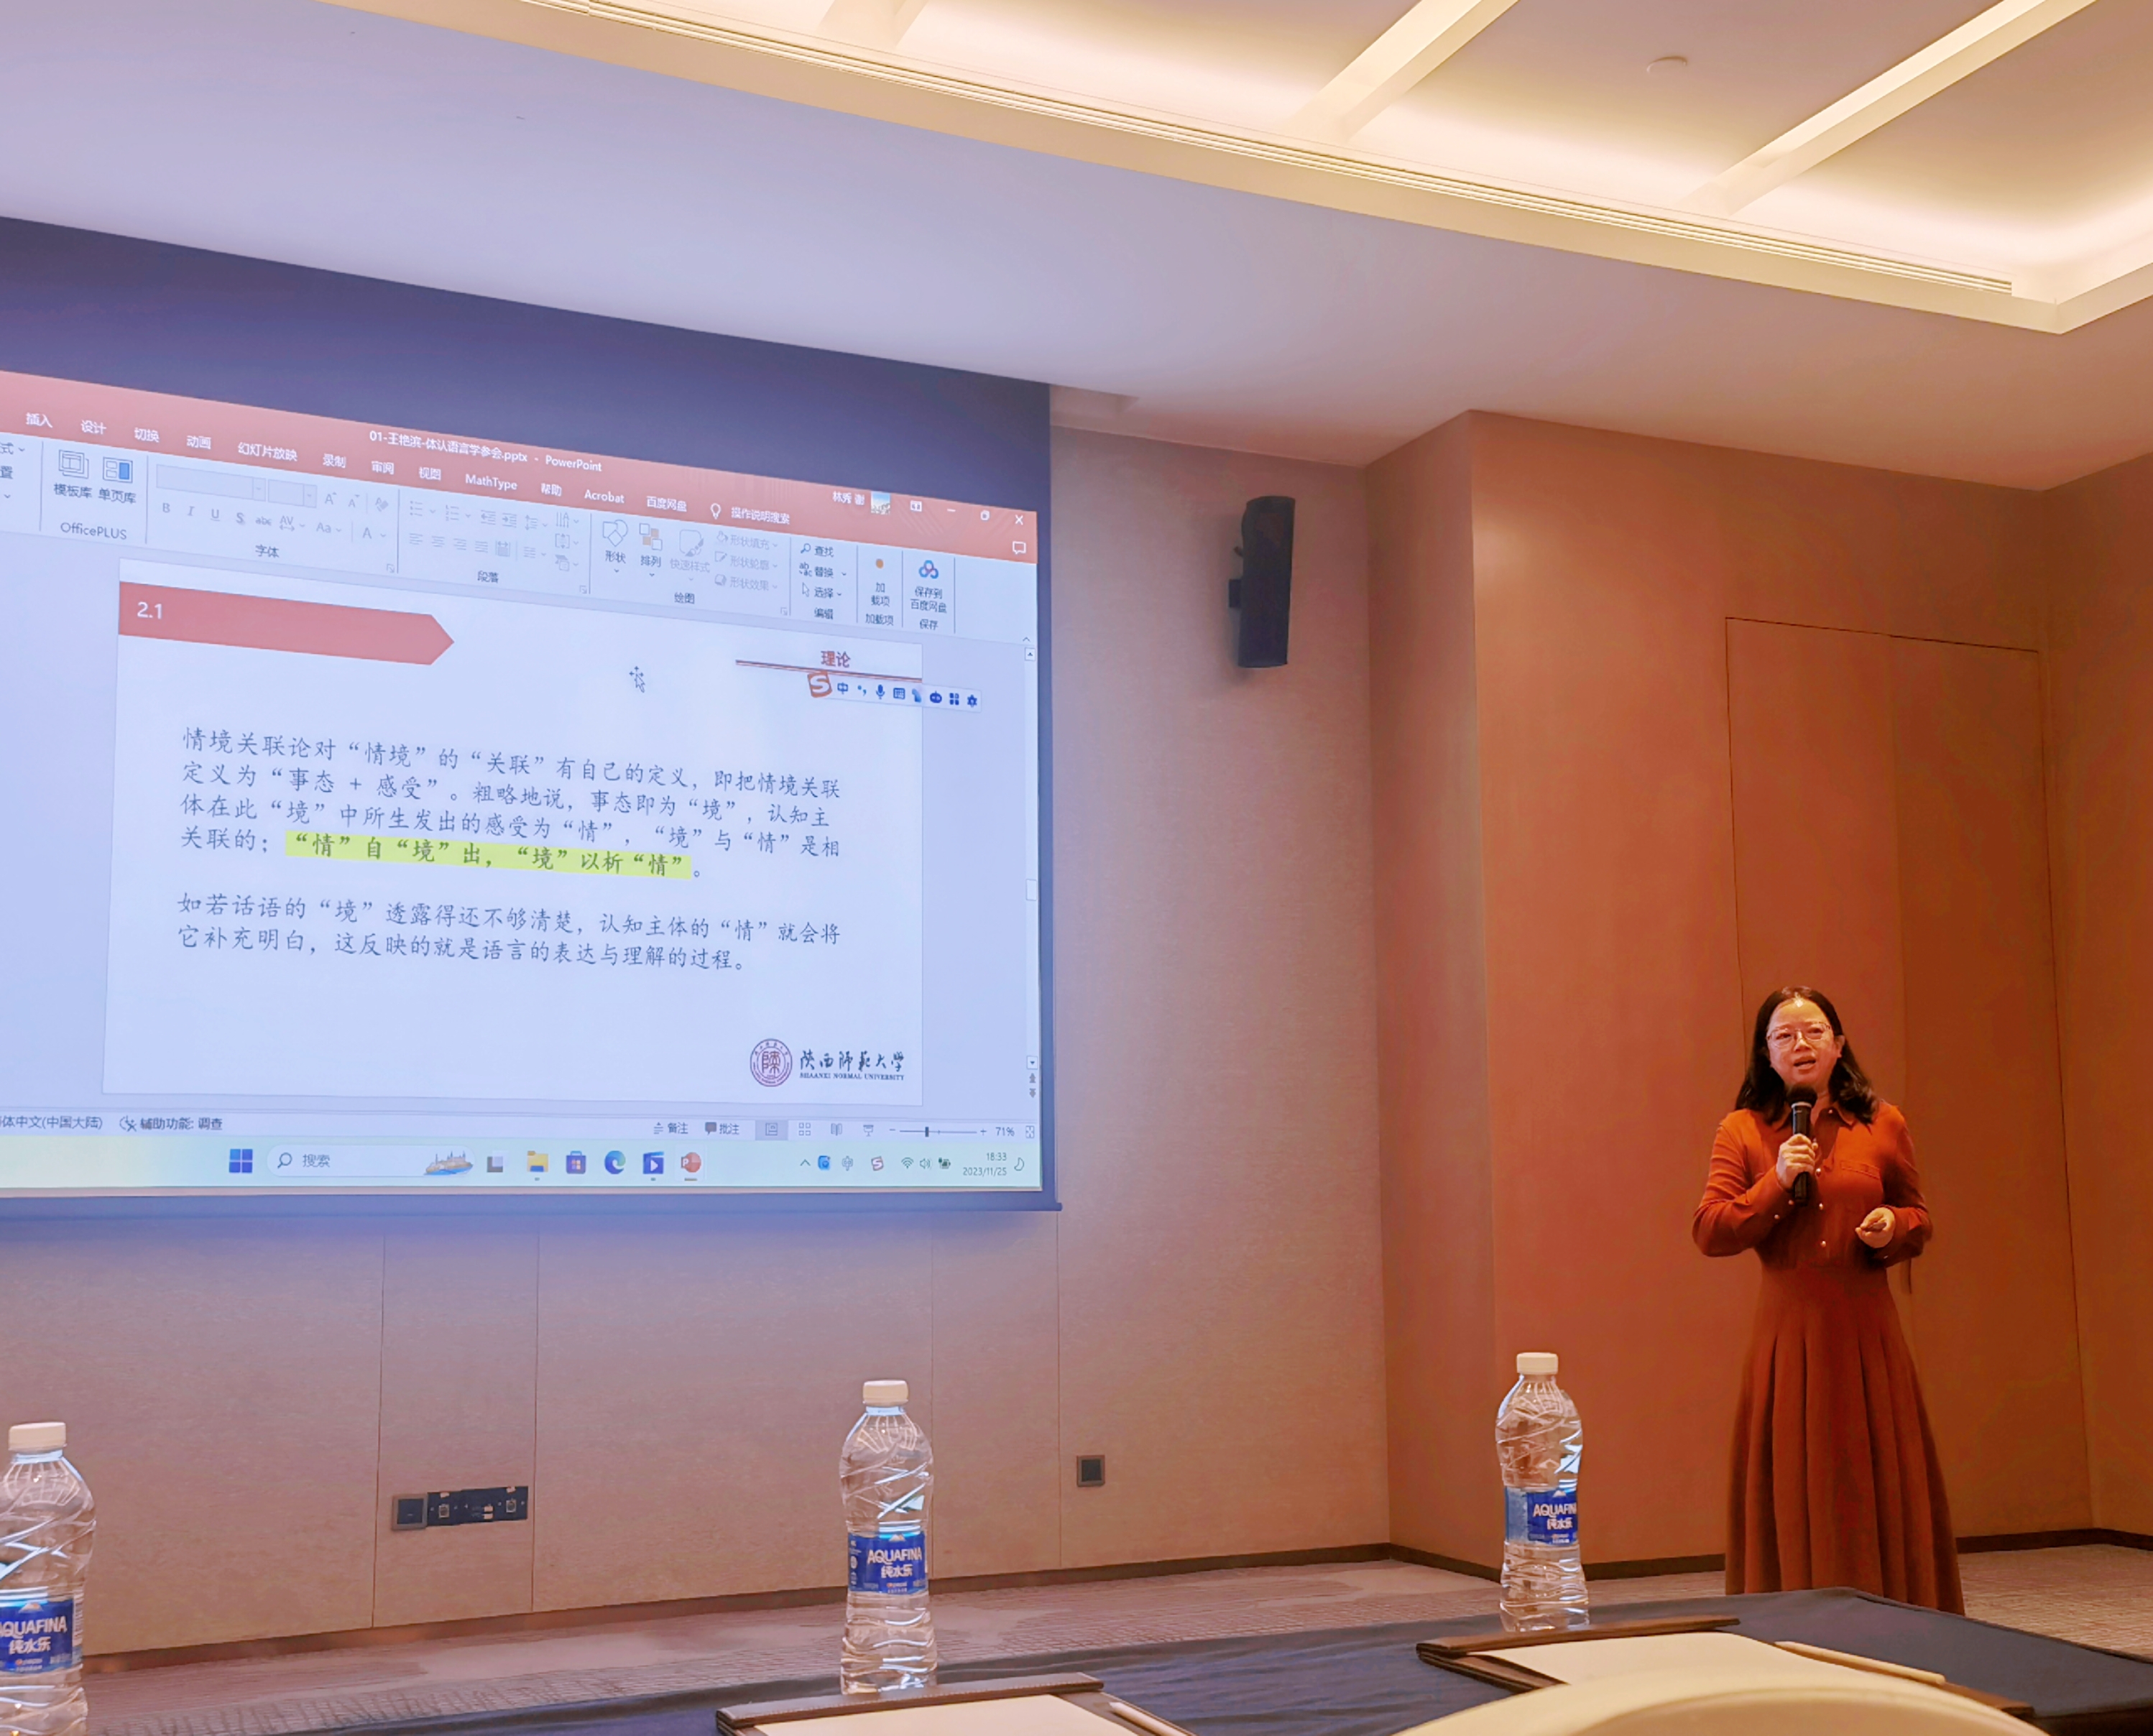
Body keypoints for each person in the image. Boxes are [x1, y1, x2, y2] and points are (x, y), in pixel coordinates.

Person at [1693, 986, 1963, 1612]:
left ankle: (1896, 1616)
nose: (1801, 1045)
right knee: (1794, 1479)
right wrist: (1776, 1181)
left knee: (1873, 1474)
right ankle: (1789, 1620)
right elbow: (1710, 1231)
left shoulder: (1883, 1123)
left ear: (1838, 1045)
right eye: (1784, 1036)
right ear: (1766, 1054)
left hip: (1867, 1331)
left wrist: (1894, 1227)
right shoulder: (1742, 1130)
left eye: (1814, 1032)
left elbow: (1919, 1217)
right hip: (1787, 1334)